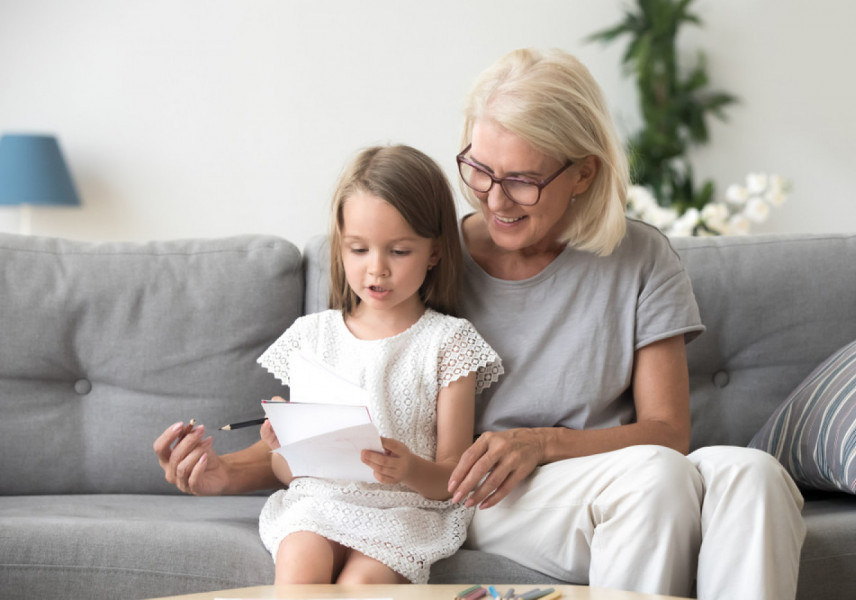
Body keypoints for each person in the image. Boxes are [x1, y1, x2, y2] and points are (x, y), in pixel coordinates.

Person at [154, 49, 805, 599]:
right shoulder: (422, 256)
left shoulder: (640, 256)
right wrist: (218, 472)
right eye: (480, 170)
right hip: (487, 491)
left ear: (584, 173)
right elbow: (335, 437)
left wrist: (541, 442)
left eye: (521, 180)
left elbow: (668, 432)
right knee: (659, 481)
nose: (495, 199)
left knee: (755, 475)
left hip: (601, 469)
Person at [161, 145, 503, 585]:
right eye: (358, 249)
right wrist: (286, 447)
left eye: (399, 252)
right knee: (300, 562)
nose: (375, 270)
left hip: (403, 512)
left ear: (434, 252)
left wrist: (409, 469)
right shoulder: (312, 337)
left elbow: (453, 479)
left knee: (360, 584)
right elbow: (290, 474)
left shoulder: (448, 343)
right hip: (318, 504)